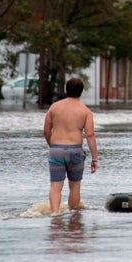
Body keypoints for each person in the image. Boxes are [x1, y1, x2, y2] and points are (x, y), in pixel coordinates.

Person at [43, 78, 98, 215]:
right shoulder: (85, 111)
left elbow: (46, 130)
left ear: (66, 89)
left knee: (55, 186)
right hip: (75, 151)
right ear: (81, 92)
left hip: (56, 150)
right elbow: (90, 135)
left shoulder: (54, 107)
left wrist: (53, 146)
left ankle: (55, 214)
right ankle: (73, 216)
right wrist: (95, 159)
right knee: (74, 186)